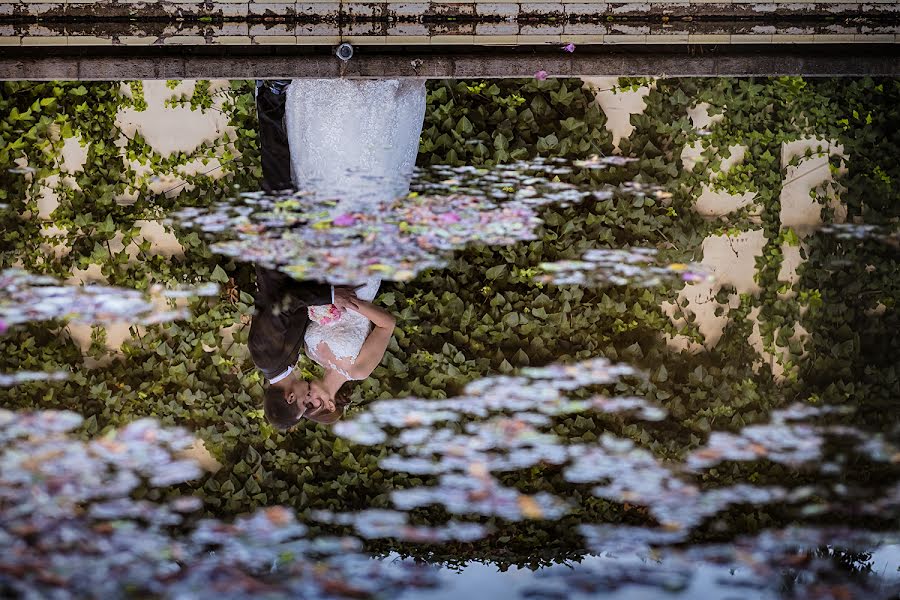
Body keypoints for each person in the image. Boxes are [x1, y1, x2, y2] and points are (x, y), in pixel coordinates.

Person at [252, 78, 423, 430]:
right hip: (318, 261)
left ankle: (267, 95)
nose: (308, 397)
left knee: (278, 175)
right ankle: (276, 97)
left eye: (304, 404)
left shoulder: (266, 355)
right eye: (314, 405)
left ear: (291, 399)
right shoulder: (292, 359)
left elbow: (284, 301)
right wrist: (333, 298)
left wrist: (330, 298)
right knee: (296, 179)